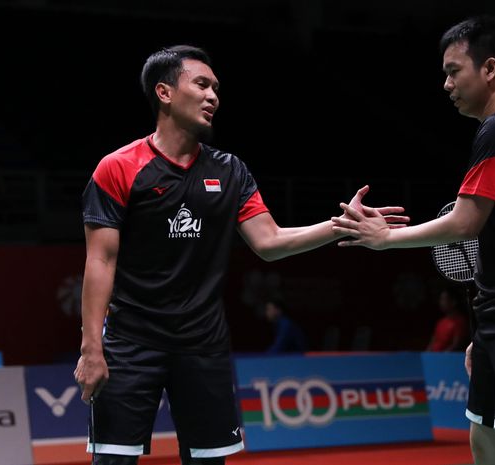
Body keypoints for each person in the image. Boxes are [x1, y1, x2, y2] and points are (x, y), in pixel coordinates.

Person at [73, 45, 409, 465]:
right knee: (113, 460)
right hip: (131, 341)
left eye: (216, 87)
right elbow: (100, 261)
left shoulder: (230, 171)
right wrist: (91, 349)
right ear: (164, 92)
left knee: (210, 460)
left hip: (202, 343)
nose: (213, 96)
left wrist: (341, 224)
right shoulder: (119, 168)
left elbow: (268, 242)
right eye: (201, 84)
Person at [331, 16, 495, 465]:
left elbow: (465, 223)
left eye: (453, 70)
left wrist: (387, 237)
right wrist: (483, 333)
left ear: (489, 68)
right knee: (485, 439)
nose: (445, 83)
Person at [427, 286, 469, 352]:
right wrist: (427, 355)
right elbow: (432, 342)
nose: (441, 302)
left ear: (453, 302)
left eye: (444, 299)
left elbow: (456, 345)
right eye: (441, 299)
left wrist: (442, 357)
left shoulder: (460, 322)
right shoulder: (440, 322)